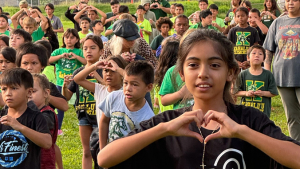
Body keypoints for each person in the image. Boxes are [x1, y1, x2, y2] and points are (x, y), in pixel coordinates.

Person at [97, 29, 300, 169]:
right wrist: (163, 130)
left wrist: (241, 132)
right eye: (193, 65)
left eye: (214, 65)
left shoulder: (249, 120)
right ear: (182, 74)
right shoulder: (170, 123)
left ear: (231, 72)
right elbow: (105, 158)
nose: (203, 73)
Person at [62, 35, 105, 169]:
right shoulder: (79, 72)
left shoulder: (105, 70)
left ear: (101, 51)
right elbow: (67, 97)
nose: (88, 51)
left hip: (101, 116)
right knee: (87, 151)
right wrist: (65, 85)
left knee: (102, 150)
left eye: (93, 48)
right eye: (85, 48)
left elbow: (109, 90)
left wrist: (97, 76)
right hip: (84, 115)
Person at [263, 0, 300, 142]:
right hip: (283, 77)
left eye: (294, 0)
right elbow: (269, 50)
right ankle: (296, 148)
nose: (290, 3)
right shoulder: (278, 22)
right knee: (292, 117)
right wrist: (267, 73)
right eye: (288, 0)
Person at [0, 68, 52, 169]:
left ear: (29, 92)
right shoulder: (1, 116)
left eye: (14, 88)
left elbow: (47, 143)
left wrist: (20, 127)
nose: (8, 93)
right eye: (4, 89)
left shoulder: (36, 117)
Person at [98, 60, 155, 150]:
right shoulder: (113, 97)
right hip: (109, 154)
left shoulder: (148, 118)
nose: (128, 88)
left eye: (134, 85)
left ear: (149, 87)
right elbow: (104, 121)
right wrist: (102, 149)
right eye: (125, 83)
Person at [49, 28, 86, 134]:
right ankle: (58, 128)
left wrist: (76, 57)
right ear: (63, 39)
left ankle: (84, 124)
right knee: (60, 106)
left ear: (77, 40)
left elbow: (85, 62)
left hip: (76, 83)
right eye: (67, 37)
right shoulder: (58, 51)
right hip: (61, 83)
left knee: (79, 105)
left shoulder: (79, 51)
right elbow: (49, 60)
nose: (69, 39)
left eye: (72, 37)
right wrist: (61, 56)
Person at [235, 45, 278, 117]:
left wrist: (263, 93)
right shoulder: (243, 74)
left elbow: (273, 93)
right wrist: (246, 93)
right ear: (248, 57)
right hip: (246, 113)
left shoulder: (268, 74)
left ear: (264, 59)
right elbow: (235, 92)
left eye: (260, 54)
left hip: (263, 113)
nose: (257, 55)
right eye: (254, 53)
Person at [30, 74, 59, 169]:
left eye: (33, 91)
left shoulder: (47, 113)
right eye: (26, 92)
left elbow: (40, 123)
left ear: (46, 93)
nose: (29, 95)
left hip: (43, 164)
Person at [154, 38, 179, 112]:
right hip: (176, 113)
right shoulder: (177, 73)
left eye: (162, 48)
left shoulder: (159, 72)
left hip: (164, 113)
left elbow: (157, 101)